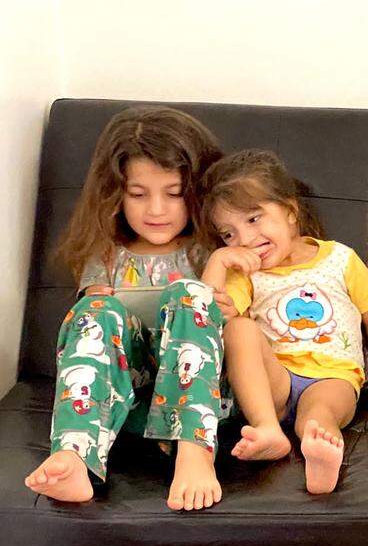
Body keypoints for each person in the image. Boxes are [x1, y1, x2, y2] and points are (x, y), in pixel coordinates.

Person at [24, 106, 228, 511]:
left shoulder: (211, 251)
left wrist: (221, 299)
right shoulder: (106, 255)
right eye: (138, 194)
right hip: (125, 405)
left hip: (201, 401)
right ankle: (76, 455)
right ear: (115, 195)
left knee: (191, 295)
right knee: (96, 309)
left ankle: (195, 453)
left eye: (173, 194)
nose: (156, 210)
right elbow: (96, 328)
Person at [199, 149, 368, 495]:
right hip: (273, 383)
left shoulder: (340, 259)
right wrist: (220, 262)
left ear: (291, 211)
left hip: (332, 376)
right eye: (228, 234)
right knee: (239, 327)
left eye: (254, 219)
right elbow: (204, 317)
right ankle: (268, 429)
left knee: (317, 415)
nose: (246, 240)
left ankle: (322, 453)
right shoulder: (244, 274)